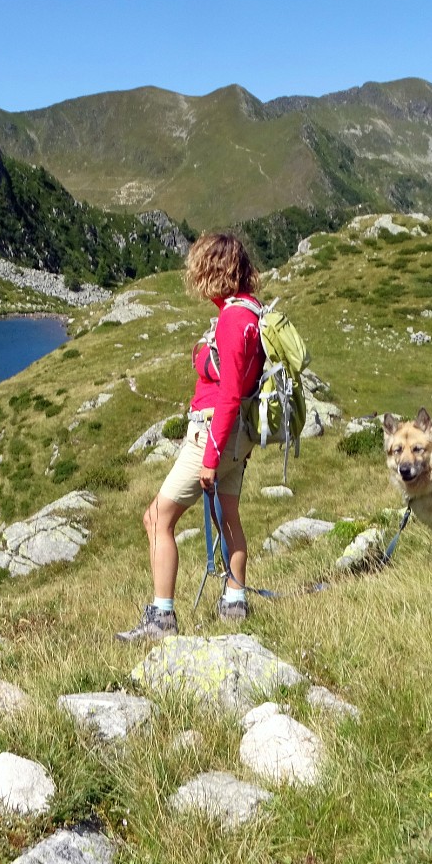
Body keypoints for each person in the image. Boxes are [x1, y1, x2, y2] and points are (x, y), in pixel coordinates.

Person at [117, 232, 265, 642]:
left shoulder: (234, 319)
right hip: (238, 437)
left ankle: (161, 618)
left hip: (214, 434)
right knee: (227, 516)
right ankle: (235, 602)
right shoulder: (250, 311)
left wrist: (211, 456)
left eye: (199, 268)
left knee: (156, 518)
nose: (195, 276)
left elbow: (231, 392)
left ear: (213, 270)